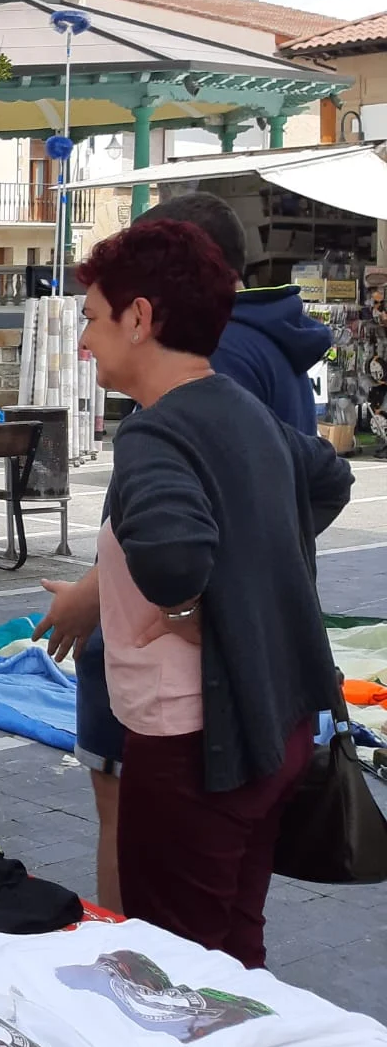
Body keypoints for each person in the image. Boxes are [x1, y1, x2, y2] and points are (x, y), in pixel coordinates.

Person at [38, 192, 333, 913]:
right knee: (234, 937)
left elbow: (175, 560)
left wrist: (198, 609)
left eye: (93, 318)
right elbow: (329, 476)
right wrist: (262, 577)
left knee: (173, 954)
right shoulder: (236, 405)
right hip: (273, 722)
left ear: (139, 319)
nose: (85, 341)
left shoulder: (156, 430)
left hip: (196, 740)